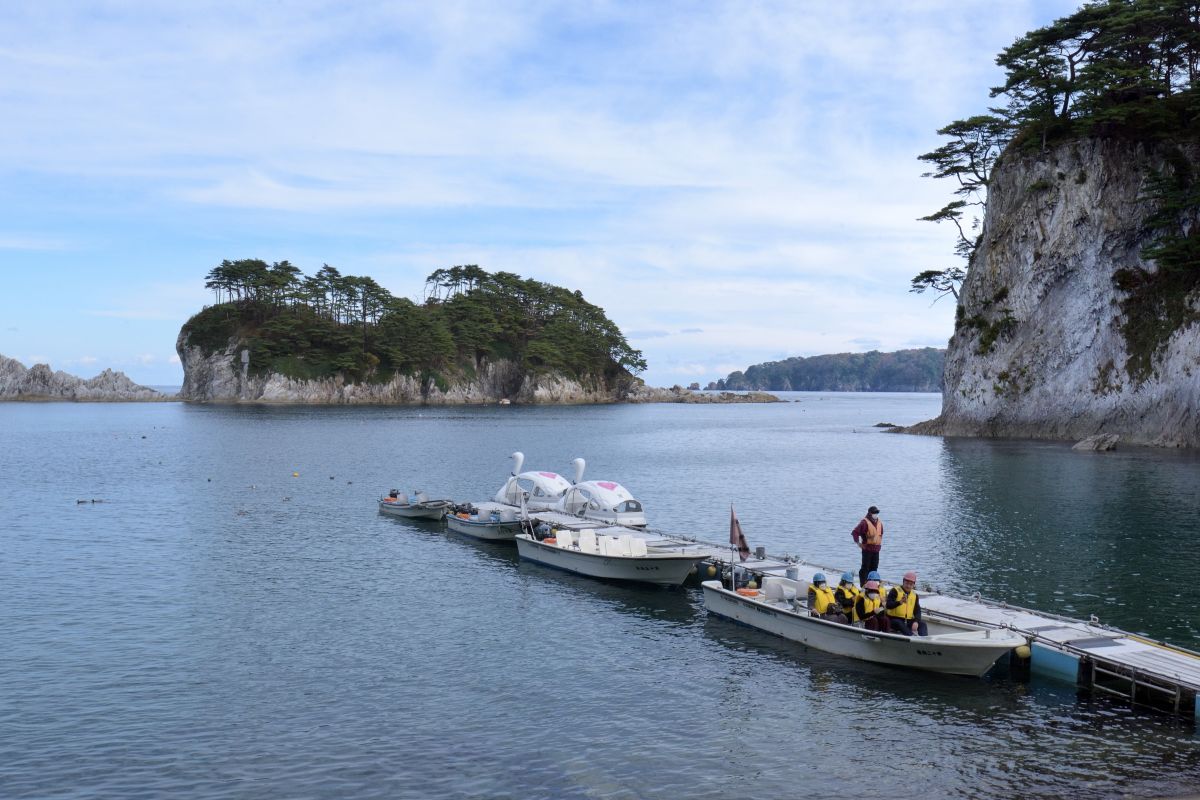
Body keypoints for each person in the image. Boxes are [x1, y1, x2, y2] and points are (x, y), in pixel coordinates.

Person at [886, 571, 928, 636]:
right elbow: (888, 605)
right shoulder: (895, 591)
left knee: (923, 624)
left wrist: (916, 621)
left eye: (911, 584)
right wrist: (899, 602)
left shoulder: (914, 595)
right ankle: (912, 636)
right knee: (899, 623)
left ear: (914, 585)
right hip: (893, 619)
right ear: (903, 582)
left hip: (907, 621)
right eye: (907, 583)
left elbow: (917, 611)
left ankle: (924, 640)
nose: (908, 586)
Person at [851, 505, 883, 587]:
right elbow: (855, 532)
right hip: (867, 549)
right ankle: (863, 585)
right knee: (865, 568)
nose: (876, 514)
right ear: (869, 513)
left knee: (874, 569)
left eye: (877, 512)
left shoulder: (879, 522)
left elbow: (880, 534)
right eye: (874, 513)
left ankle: (873, 585)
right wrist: (858, 543)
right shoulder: (864, 523)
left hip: (876, 550)